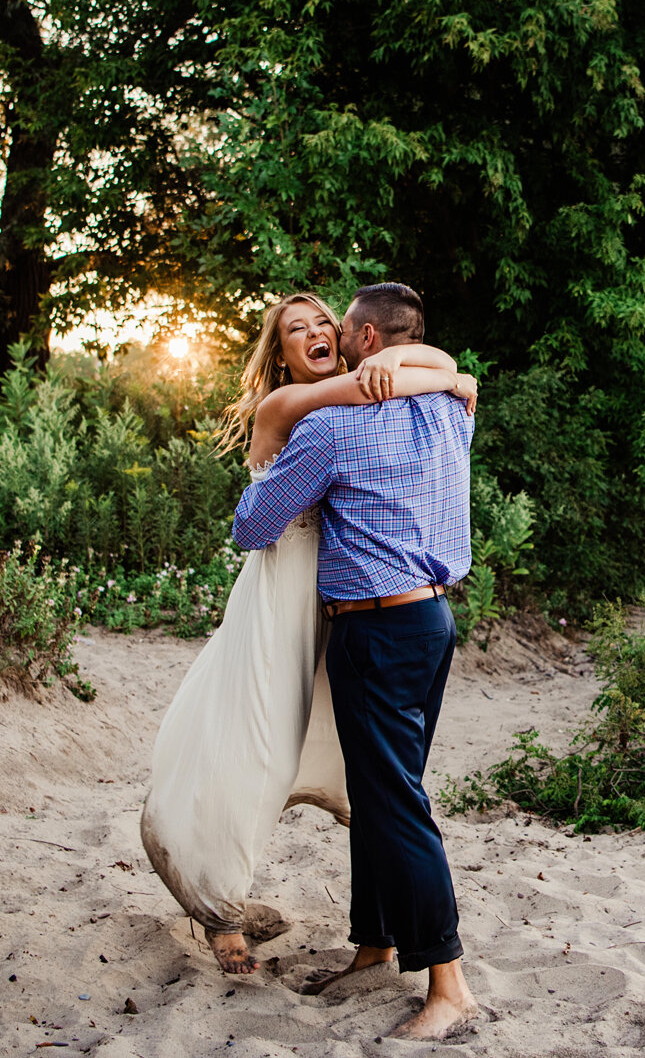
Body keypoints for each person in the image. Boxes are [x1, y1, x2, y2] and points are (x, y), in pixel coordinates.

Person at [139, 292, 477, 976]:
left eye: (326, 323)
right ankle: (224, 909)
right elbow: (251, 527)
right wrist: (450, 375)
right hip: (296, 601)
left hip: (351, 608)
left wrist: (437, 370)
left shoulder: (359, 409)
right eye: (298, 330)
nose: (317, 333)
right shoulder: (307, 409)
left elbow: (425, 368)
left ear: (356, 336)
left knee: (380, 790)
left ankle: (384, 942)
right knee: (261, 752)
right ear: (280, 350)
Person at [231, 282, 482, 1041]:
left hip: (373, 632)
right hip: (435, 620)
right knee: (381, 793)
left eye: (339, 329)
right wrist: (446, 371)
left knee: (396, 803)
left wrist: (263, 458)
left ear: (368, 340)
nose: (331, 338)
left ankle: (448, 983)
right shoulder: (450, 409)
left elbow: (253, 525)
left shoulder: (332, 428)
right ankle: (374, 943)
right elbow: (452, 374)